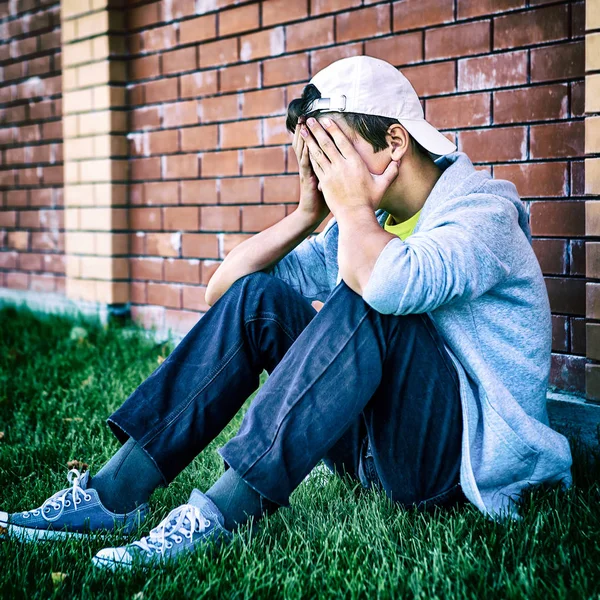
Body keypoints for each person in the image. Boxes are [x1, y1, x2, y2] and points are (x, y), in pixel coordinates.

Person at [1, 56, 572, 569]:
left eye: (332, 150)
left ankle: (220, 514)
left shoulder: (483, 213)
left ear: (394, 143)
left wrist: (350, 208)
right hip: (375, 453)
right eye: (314, 153)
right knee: (259, 302)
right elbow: (227, 290)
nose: (325, 169)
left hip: (457, 467)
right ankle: (114, 494)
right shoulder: (361, 226)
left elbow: (388, 285)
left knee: (369, 296)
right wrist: (306, 213)